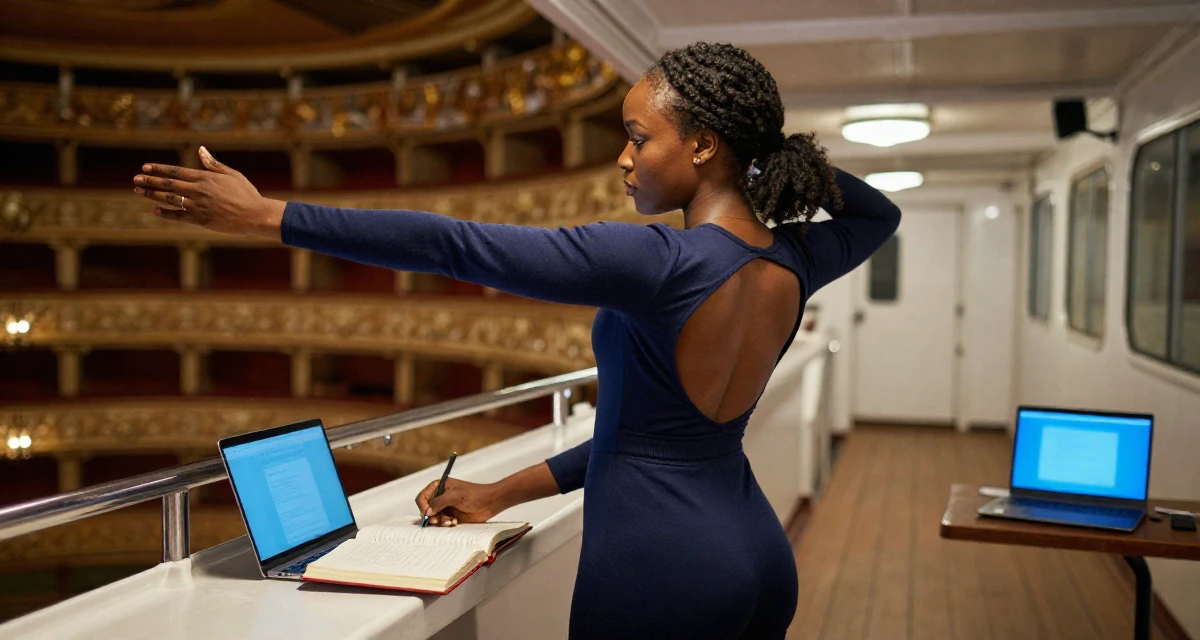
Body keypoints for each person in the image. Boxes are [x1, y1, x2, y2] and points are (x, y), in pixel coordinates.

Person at [133, 42, 899, 640]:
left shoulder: (656, 260)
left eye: (639, 137)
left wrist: (272, 217)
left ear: (703, 146)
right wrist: (501, 493)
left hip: (658, 572)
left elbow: (455, 246)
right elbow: (877, 218)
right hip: (758, 555)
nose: (624, 158)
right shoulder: (792, 259)